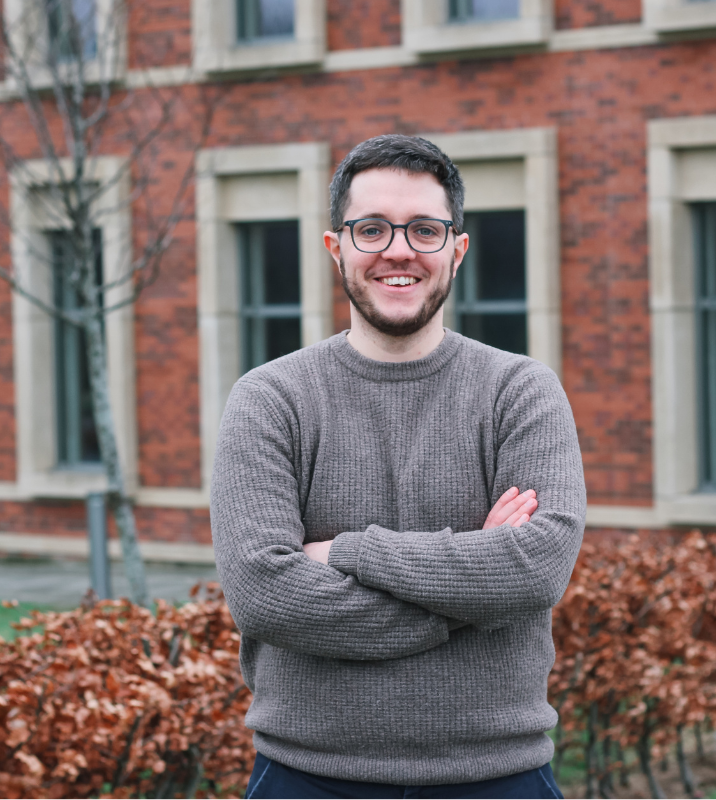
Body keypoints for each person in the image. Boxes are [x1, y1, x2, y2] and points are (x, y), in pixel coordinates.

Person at [211, 134, 586, 799]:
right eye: (372, 229)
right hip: (307, 780)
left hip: (499, 779)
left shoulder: (521, 391)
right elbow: (266, 594)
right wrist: (473, 582)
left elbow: (536, 568)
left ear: (457, 250)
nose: (398, 250)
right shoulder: (269, 399)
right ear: (337, 247)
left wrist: (346, 553)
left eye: (424, 229)